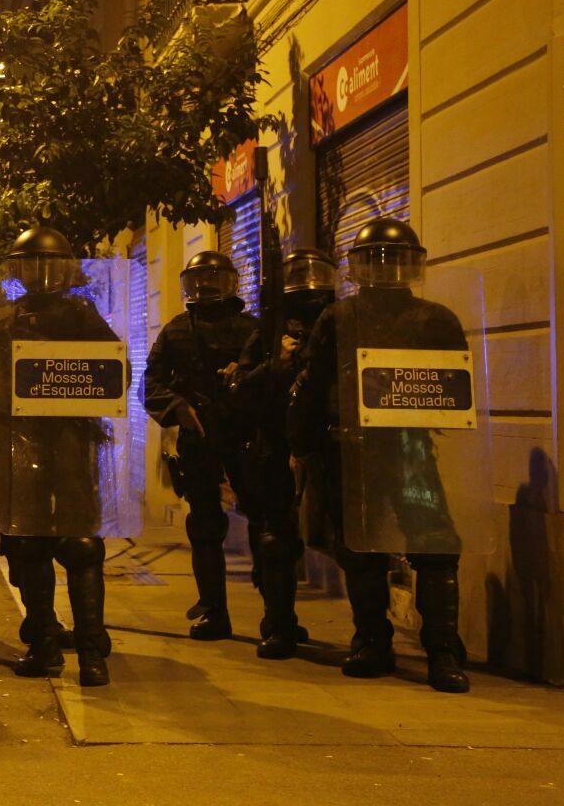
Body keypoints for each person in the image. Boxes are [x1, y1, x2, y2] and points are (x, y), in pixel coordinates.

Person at [288, 219, 472, 693]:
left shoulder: (436, 319)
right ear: (359, 267)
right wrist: (305, 445)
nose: (386, 270)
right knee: (360, 550)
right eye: (376, 261)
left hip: (411, 447)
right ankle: (372, 640)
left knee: (435, 545)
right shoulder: (340, 318)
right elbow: (314, 382)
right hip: (352, 446)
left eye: (396, 260)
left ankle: (443, 649)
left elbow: (456, 387)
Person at [0, 228, 119, 687]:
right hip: (22, 446)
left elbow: (117, 372)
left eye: (46, 264)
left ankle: (92, 655)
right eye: (29, 265)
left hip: (73, 446)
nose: (38, 273)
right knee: (29, 543)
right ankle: (44, 644)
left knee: (79, 547)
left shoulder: (82, 314)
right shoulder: (8, 320)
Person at [143, 250, 257, 641]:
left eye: (214, 278)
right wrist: (180, 408)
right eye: (199, 279)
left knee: (267, 524)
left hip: (247, 437)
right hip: (200, 438)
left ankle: (280, 617)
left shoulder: (252, 330)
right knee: (205, 527)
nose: (206, 286)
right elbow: (151, 384)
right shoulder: (176, 330)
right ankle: (214, 609)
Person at [231, 249, 337, 658]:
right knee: (275, 538)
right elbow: (239, 389)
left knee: (354, 540)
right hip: (275, 445)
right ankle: (279, 622)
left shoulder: (341, 322)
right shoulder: (269, 331)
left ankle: (372, 637)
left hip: (330, 441)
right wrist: (277, 365)